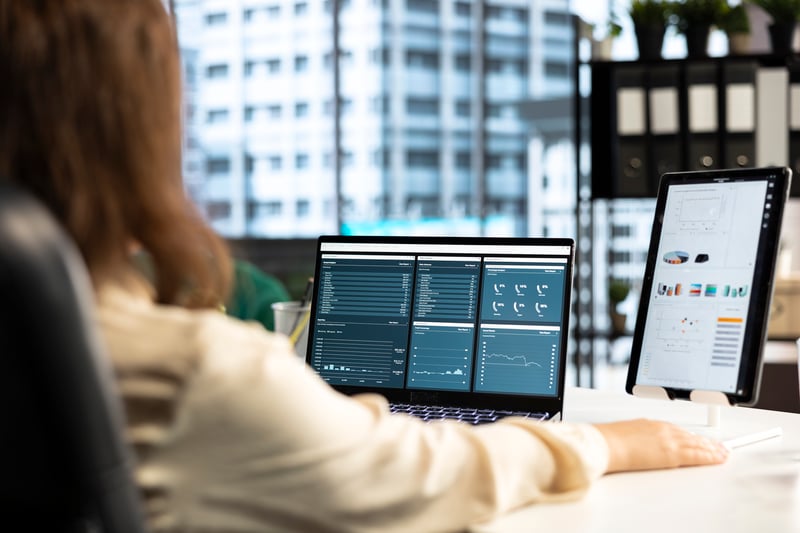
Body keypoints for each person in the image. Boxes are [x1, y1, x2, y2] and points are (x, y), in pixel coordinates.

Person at [0, 1, 728, 531]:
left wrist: (335, 417)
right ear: (132, 133)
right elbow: (428, 478)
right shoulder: (193, 369)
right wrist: (605, 441)